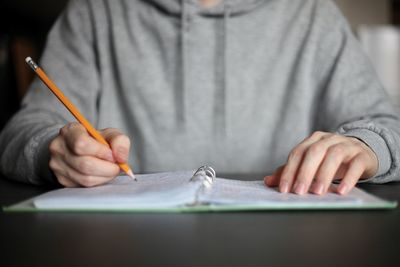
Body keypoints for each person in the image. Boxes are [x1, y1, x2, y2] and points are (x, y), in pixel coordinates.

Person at [1, 0, 399, 195]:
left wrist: (363, 146)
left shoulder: (312, 13)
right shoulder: (95, 11)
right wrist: (51, 151)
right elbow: (20, 132)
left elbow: (389, 127)